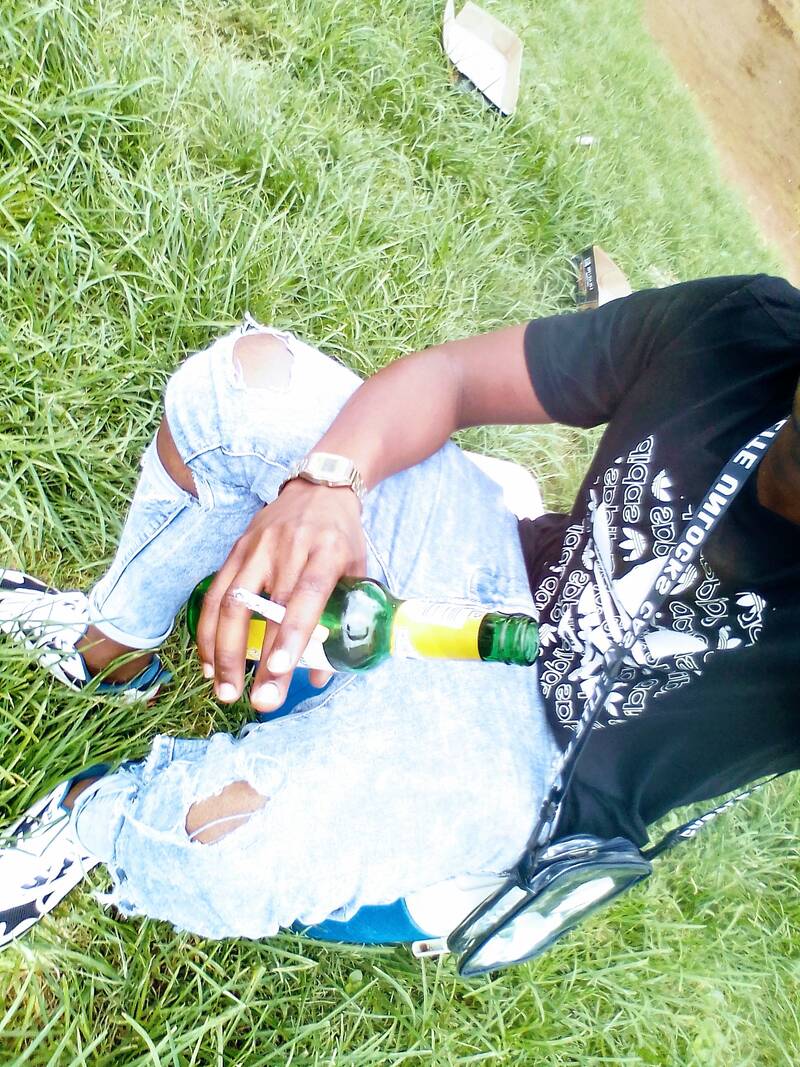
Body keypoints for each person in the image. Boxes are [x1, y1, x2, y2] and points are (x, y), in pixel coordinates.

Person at [1, 274, 798, 957]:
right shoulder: (747, 331)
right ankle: (113, 648)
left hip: (535, 769)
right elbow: (455, 377)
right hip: (492, 575)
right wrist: (331, 483)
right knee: (245, 388)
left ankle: (91, 814)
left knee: (225, 853)